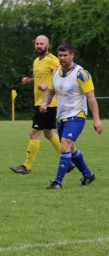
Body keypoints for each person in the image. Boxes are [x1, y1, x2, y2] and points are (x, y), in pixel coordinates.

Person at [40, 42, 103, 189]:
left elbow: (91, 98)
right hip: (61, 117)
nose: (62, 58)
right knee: (71, 149)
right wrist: (45, 103)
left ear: (72, 55)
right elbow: (50, 91)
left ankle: (58, 182)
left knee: (64, 146)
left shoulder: (81, 74)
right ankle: (88, 174)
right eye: (60, 55)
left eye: (65, 55)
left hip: (77, 116)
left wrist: (97, 120)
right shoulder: (55, 72)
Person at [10, 35, 75, 174]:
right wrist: (30, 81)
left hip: (49, 103)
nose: (39, 46)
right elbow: (41, 79)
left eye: (41, 44)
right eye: (37, 43)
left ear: (48, 45)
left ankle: (26, 167)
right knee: (48, 132)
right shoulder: (36, 61)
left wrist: (47, 85)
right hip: (40, 101)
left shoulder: (53, 60)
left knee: (34, 133)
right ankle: (68, 161)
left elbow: (64, 75)